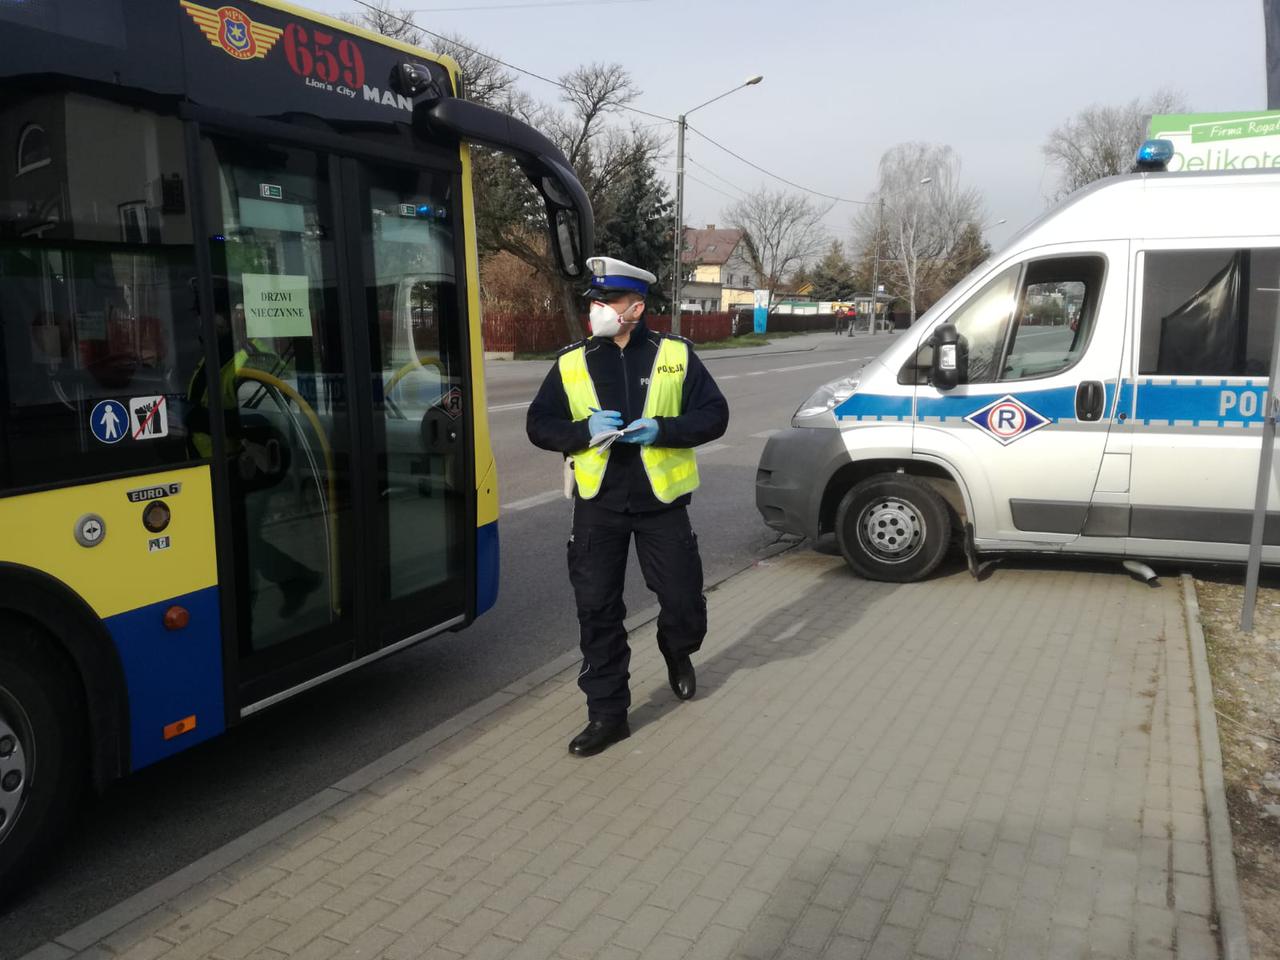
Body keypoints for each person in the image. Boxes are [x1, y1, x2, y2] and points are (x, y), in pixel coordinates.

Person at [527, 256, 729, 757]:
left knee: (683, 603)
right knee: (597, 610)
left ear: (635, 307)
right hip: (599, 506)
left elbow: (715, 415)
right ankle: (608, 714)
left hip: (662, 503)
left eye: (606, 301)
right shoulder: (572, 361)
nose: (595, 309)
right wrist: (581, 433)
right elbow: (538, 424)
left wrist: (665, 428)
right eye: (594, 301)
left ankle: (676, 648)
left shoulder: (675, 355)